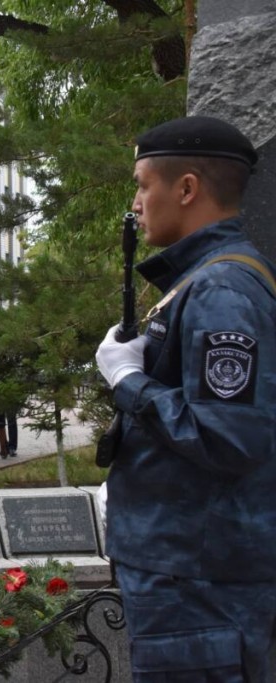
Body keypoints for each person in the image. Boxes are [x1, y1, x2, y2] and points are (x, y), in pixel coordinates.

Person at [95, 116, 276, 682]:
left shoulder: (221, 289)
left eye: (143, 185)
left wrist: (128, 382)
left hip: (198, 582)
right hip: (191, 570)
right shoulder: (205, 280)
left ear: (187, 188)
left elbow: (229, 436)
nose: (137, 203)